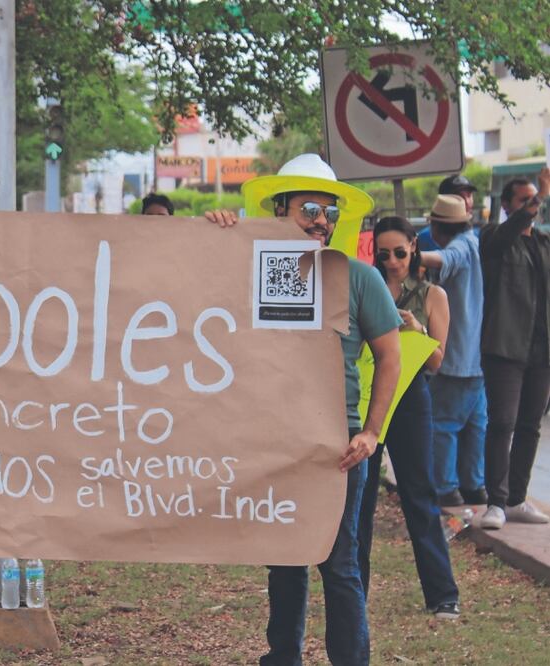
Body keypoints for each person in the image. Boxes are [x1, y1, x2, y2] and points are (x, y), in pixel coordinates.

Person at [206, 153, 401, 666]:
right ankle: (282, 657)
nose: (321, 220)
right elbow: (199, 296)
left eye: (329, 212)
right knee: (285, 560)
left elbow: (390, 356)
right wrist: (215, 236)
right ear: (279, 210)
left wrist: (371, 432)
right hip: (278, 441)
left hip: (340, 445)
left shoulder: (358, 278)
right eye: (309, 209)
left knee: (340, 563)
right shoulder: (251, 271)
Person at [356, 216, 461, 619]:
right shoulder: (367, 286)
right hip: (369, 394)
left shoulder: (433, 294)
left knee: (419, 494)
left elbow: (437, 361)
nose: (393, 261)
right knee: (360, 497)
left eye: (399, 252)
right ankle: (354, 593)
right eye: (383, 254)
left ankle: (442, 594)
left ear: (414, 246)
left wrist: (417, 329)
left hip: (411, 397)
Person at [477, 167, 550, 529]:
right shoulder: (494, 237)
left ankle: (517, 499)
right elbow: (502, 237)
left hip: (541, 350)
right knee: (502, 422)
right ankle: (496, 502)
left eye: (533, 199)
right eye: (524, 200)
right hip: (504, 346)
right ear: (507, 205)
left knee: (529, 426)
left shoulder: (544, 243)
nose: (531, 206)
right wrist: (541, 197)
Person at [419, 194, 487, 506]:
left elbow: (446, 259)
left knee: (443, 424)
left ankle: (446, 487)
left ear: (437, 227)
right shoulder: (476, 241)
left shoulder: (461, 246)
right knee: (475, 424)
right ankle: (474, 485)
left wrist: (411, 254)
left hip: (457, 356)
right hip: (477, 356)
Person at [418, 174, 478, 252]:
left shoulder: (477, 236)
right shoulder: (425, 238)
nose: (467, 202)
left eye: (469, 196)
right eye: (459, 197)